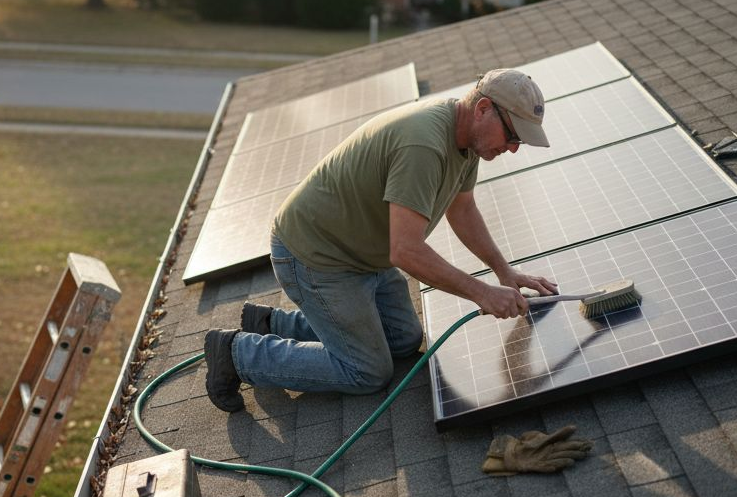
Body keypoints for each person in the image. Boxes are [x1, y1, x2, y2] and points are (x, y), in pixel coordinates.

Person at [203, 68, 560, 413]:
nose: (513, 149)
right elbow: (405, 250)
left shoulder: (466, 140)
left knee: (403, 340)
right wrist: (481, 293)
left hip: (362, 256)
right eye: (512, 136)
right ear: (483, 108)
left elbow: (462, 209)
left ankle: (270, 324)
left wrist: (504, 273)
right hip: (318, 257)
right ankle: (236, 353)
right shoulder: (425, 144)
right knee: (367, 371)